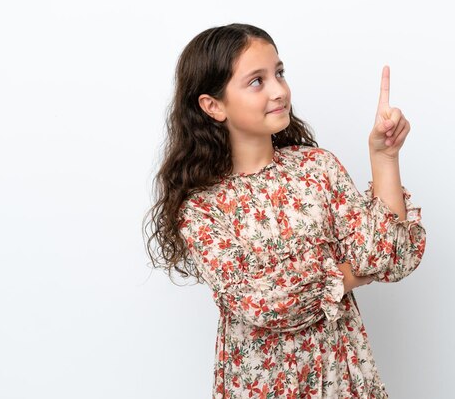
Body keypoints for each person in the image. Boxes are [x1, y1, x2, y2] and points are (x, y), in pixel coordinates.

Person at [143, 23, 426, 398]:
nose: (279, 90)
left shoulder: (317, 168)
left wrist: (385, 157)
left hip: (343, 378)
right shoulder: (202, 208)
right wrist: (346, 273)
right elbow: (263, 303)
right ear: (213, 106)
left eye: (279, 73)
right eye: (257, 81)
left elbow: (389, 257)